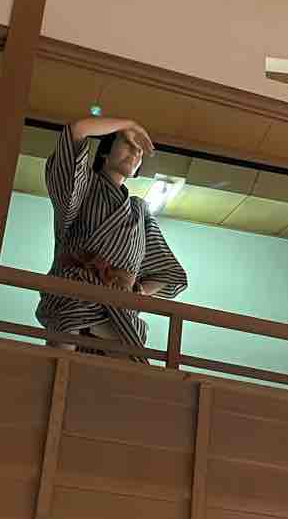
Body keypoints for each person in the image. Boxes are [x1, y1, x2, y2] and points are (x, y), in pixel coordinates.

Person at [36, 115, 188, 358]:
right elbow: (78, 130)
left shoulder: (140, 211)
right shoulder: (86, 186)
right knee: (60, 360)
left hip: (120, 313)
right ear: (105, 152)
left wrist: (138, 290)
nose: (136, 152)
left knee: (122, 371)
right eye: (128, 144)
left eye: (140, 150)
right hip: (74, 299)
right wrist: (128, 125)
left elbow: (170, 274)